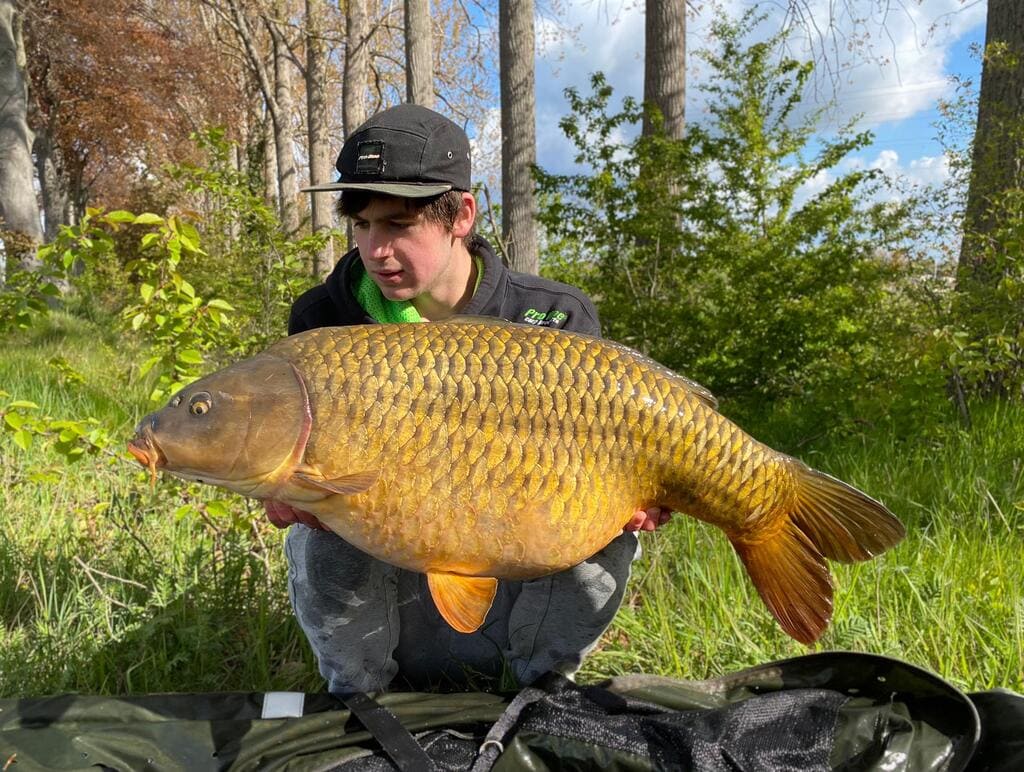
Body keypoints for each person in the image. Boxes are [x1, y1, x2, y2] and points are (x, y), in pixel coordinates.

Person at [265, 103, 670, 695]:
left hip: (518, 569)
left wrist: (627, 498)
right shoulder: (324, 320)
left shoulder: (553, 316)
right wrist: (280, 483)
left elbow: (604, 461)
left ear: (461, 216)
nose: (376, 250)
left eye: (398, 225)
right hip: (391, 570)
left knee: (605, 534)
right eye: (362, 225)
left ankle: (538, 691)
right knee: (317, 527)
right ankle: (361, 697)